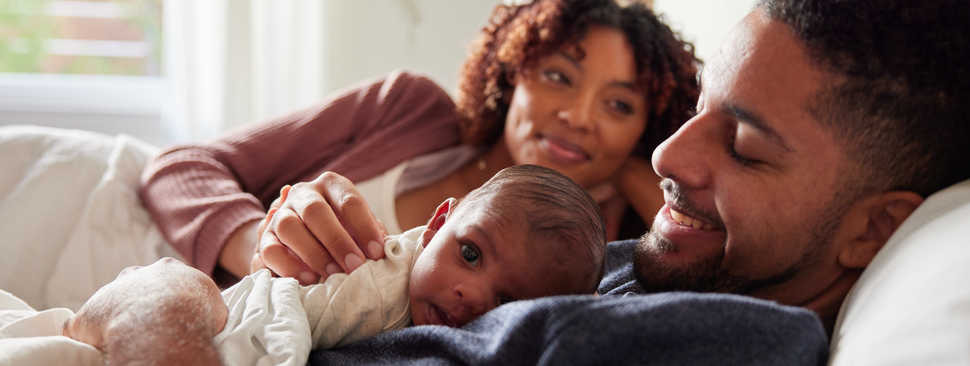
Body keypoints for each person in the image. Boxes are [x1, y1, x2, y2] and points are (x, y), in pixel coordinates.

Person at [61, 0, 970, 364]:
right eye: (697, 114)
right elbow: (182, 167)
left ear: (874, 229)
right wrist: (260, 238)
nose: (668, 157)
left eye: (746, 147)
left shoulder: (716, 329)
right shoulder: (628, 265)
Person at [138, 0, 700, 287]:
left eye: (619, 106)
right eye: (558, 76)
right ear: (512, 75)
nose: (578, 117)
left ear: (644, 132)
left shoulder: (606, 251)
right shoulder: (408, 107)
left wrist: (641, 172)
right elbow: (180, 167)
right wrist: (258, 247)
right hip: (139, 249)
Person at [61, 164, 606, 365]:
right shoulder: (383, 273)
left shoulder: (596, 281)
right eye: (470, 254)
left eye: (507, 301)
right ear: (437, 224)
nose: (473, 296)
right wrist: (266, 238)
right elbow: (174, 169)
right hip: (216, 300)